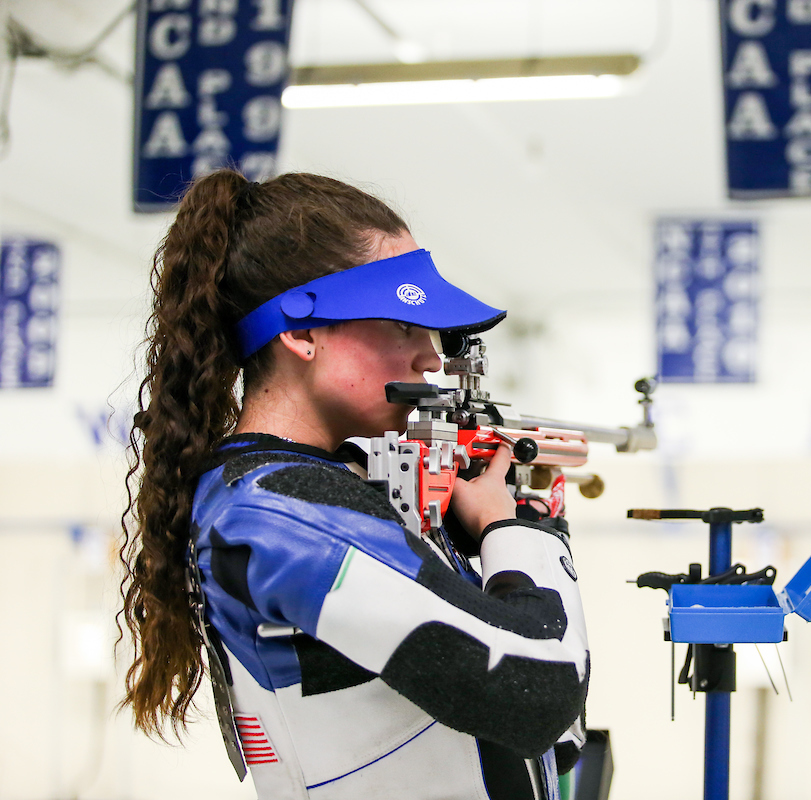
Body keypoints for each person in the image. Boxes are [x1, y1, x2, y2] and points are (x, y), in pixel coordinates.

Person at [118, 170, 588, 800]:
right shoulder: (285, 513)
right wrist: (519, 532)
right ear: (301, 332)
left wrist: (490, 533)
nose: (431, 358)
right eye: (402, 324)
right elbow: (541, 694)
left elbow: (553, 742)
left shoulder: (334, 491)